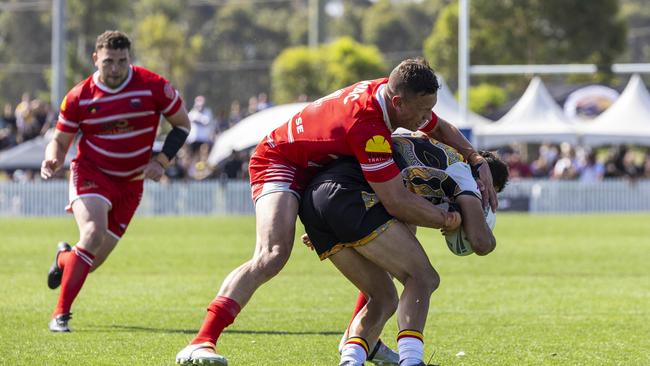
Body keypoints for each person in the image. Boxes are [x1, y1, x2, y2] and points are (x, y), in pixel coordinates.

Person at [175, 58, 497, 365]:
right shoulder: (367, 122)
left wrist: (475, 158)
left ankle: (361, 341)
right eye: (423, 110)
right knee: (272, 253)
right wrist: (446, 220)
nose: (426, 118)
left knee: (394, 238)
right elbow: (396, 201)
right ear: (399, 103)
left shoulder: (393, 94)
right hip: (280, 160)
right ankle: (202, 339)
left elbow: (440, 129)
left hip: (319, 170)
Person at [298, 136, 508, 366]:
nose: (487, 202)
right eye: (490, 196)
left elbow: (394, 201)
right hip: (348, 195)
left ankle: (351, 359)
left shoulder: (435, 157)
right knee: (424, 278)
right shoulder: (465, 174)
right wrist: (477, 221)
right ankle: (411, 360)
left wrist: (334, 219)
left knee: (384, 298)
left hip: (321, 200)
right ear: (485, 181)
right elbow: (481, 243)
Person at [41, 30, 191, 332]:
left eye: (122, 61)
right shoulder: (79, 96)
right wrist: (52, 157)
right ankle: (60, 316)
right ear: (96, 58)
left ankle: (63, 259)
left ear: (129, 59)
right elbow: (59, 140)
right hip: (91, 174)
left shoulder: (153, 86)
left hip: (131, 183)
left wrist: (161, 161)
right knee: (93, 232)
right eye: (108, 61)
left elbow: (183, 125)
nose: (115, 68)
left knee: (89, 262)